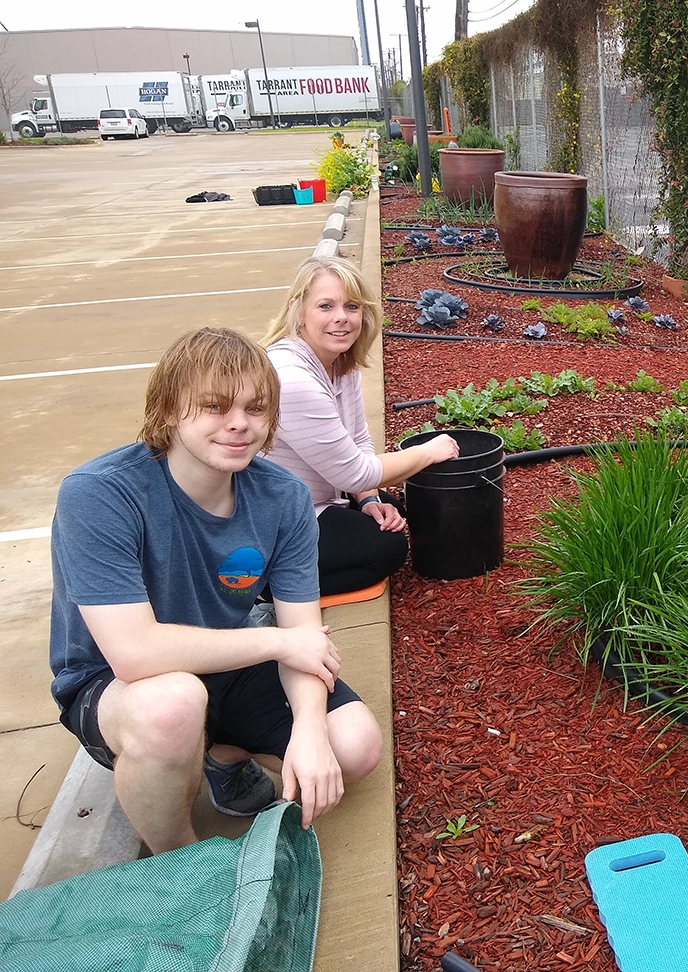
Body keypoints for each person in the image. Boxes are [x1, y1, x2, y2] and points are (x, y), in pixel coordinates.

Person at [48, 328, 382, 854]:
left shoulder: (282, 496)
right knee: (173, 706)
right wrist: (277, 643)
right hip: (117, 683)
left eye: (255, 407)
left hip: (224, 655)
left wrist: (311, 731)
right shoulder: (100, 494)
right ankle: (179, 862)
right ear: (167, 409)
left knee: (355, 747)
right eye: (213, 406)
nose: (238, 424)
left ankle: (220, 755)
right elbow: (134, 653)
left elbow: (304, 634)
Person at [261, 255, 459, 596]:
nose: (341, 318)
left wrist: (368, 500)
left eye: (352, 306)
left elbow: (359, 444)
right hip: (274, 521)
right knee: (385, 551)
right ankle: (263, 586)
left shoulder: (339, 361)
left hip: (323, 494)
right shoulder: (291, 378)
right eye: (326, 306)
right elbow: (354, 473)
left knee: (389, 512)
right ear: (299, 310)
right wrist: (427, 452)